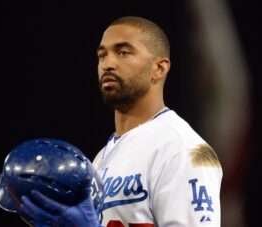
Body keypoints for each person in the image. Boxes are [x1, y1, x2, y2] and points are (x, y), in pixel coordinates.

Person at [19, 16, 223, 227]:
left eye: (123, 52)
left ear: (159, 69)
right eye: (102, 55)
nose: (108, 64)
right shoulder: (100, 159)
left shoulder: (180, 149)